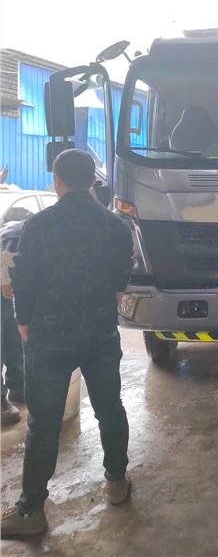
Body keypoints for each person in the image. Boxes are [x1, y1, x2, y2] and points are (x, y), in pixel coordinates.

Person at [1, 149, 133, 539]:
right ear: (93, 181)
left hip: (49, 337)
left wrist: (24, 325)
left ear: (57, 182)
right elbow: (121, 280)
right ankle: (117, 482)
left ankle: (31, 511)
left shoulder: (38, 225)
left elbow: (23, 280)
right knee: (110, 409)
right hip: (100, 335)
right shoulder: (116, 227)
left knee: (43, 425)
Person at [1, 220, 25, 427]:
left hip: (8, 274)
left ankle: (18, 385)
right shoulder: (16, 241)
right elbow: (7, 289)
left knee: (12, 332)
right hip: (3, 274)